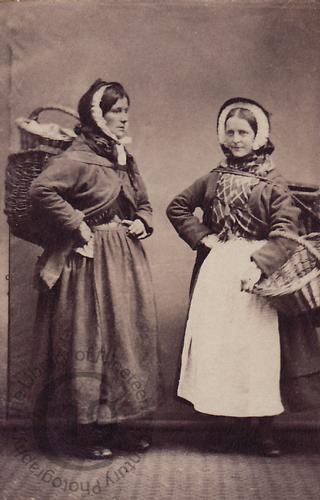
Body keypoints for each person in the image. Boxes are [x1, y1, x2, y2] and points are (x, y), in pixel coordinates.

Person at [166, 97, 320, 457]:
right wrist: (204, 237)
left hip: (257, 277)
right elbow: (178, 207)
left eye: (243, 132)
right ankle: (230, 427)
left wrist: (260, 264)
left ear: (259, 136)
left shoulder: (273, 182)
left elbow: (286, 232)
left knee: (257, 351)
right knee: (221, 348)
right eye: (230, 132)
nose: (236, 139)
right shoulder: (213, 178)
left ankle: (263, 429)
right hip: (218, 271)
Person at [30, 79, 161, 459]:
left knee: (126, 338)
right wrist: (76, 222)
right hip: (88, 259)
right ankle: (85, 432)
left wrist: (142, 220)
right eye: (115, 111)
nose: (123, 119)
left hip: (125, 258)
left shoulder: (123, 157)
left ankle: (120, 425)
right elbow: (41, 191)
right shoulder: (75, 157)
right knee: (89, 338)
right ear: (96, 116)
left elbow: (145, 202)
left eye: (125, 111)